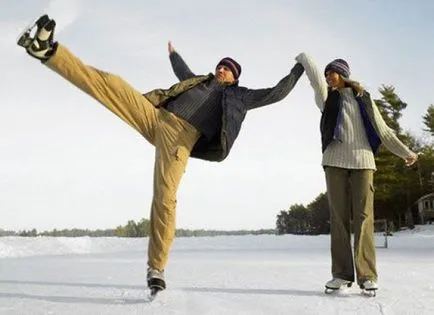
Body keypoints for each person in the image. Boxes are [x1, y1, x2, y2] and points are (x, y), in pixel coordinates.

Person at [18, 14, 304, 292]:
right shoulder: (197, 80)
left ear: (234, 77)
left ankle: (157, 268)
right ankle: (48, 51)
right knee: (113, 84)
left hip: (180, 141)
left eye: (227, 69)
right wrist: (173, 54)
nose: (221, 70)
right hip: (156, 117)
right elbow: (181, 71)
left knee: (165, 199)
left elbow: (276, 93)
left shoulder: (240, 97)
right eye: (220, 65)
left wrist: (299, 69)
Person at [295, 53, 418, 294]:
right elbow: (313, 78)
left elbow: (384, 131)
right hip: (334, 162)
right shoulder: (326, 97)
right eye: (327, 74)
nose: (329, 77)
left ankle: (367, 275)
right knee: (338, 219)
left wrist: (406, 153)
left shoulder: (364, 99)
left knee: (364, 218)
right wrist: (303, 57)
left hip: (363, 162)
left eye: (333, 73)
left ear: (344, 75)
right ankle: (340, 275)